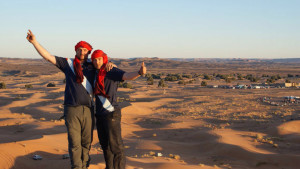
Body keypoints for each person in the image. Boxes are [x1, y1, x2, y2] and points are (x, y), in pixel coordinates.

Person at [26, 30, 112, 169]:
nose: (82, 52)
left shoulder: (93, 65)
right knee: (74, 142)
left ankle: (85, 165)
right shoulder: (68, 64)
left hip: (89, 109)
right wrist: (34, 42)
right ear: (76, 50)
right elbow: (48, 56)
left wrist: (110, 64)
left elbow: (104, 63)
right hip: (71, 109)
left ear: (89, 51)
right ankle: (77, 167)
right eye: (80, 50)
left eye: (85, 50)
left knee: (87, 142)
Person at [91, 50, 146, 169]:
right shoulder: (94, 72)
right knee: (105, 146)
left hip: (111, 114)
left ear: (104, 59)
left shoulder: (111, 71)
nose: (96, 62)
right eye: (94, 59)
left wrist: (139, 73)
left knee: (116, 147)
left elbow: (126, 76)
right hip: (100, 115)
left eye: (99, 59)